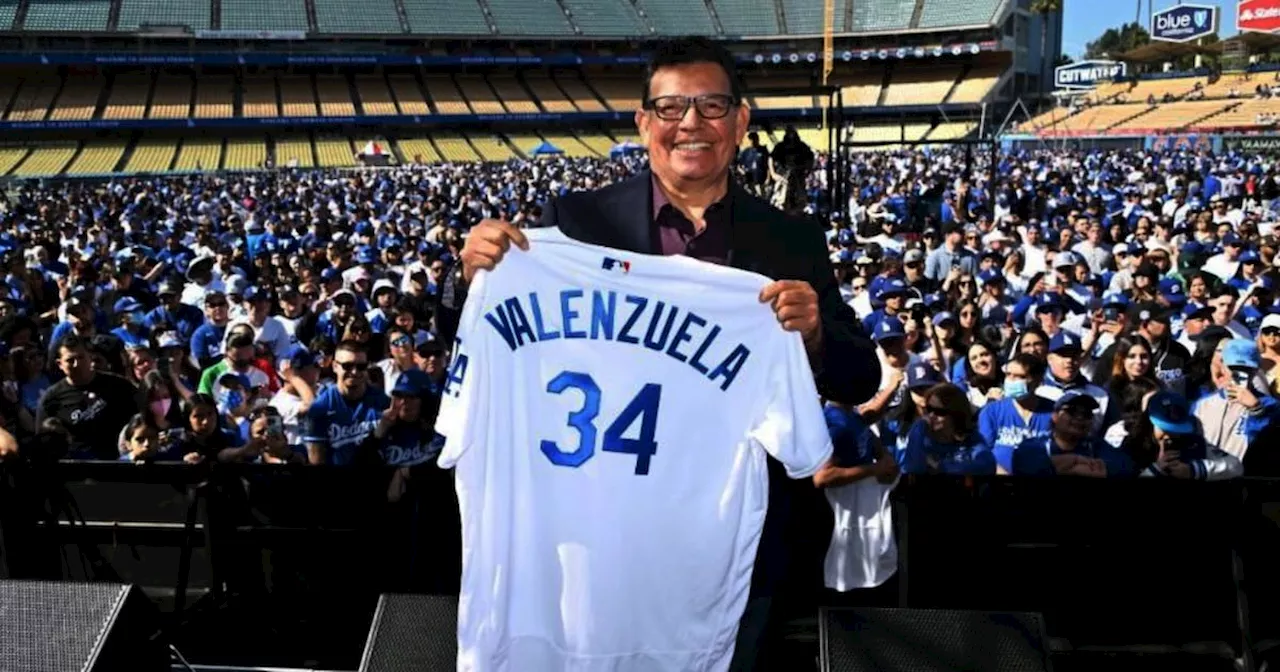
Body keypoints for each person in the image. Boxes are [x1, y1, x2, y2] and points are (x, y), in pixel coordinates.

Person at [439, 38, 878, 671]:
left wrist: (813, 335)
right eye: (672, 108)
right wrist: (468, 278)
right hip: (592, 533)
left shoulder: (790, 237)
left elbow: (859, 376)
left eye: (712, 105)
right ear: (644, 122)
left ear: (742, 121)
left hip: (736, 550)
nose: (691, 124)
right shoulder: (574, 222)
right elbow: (479, 338)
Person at [37, 335, 144, 460]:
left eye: (81, 357)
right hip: (79, 469)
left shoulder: (120, 386)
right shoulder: (51, 398)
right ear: (59, 364)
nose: (77, 364)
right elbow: (44, 441)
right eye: (70, 360)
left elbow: (141, 420)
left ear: (90, 357)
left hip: (121, 463)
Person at [302, 340, 389, 465]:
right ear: (335, 366)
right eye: (347, 366)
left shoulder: (382, 401)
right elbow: (316, 460)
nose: (354, 372)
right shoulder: (321, 407)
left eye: (361, 367)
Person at [1011, 391, 1135, 477]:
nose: (1079, 418)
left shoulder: (1096, 446)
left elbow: (1126, 468)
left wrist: (1062, 466)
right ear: (1054, 416)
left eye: (1086, 414)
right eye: (1072, 411)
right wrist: (1075, 460)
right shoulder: (1035, 445)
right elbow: (1026, 467)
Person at [899, 383, 995, 475]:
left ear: (956, 414)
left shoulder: (970, 438)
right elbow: (912, 469)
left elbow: (987, 466)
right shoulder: (921, 437)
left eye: (939, 411)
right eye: (929, 409)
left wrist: (941, 466)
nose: (931, 415)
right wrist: (919, 427)